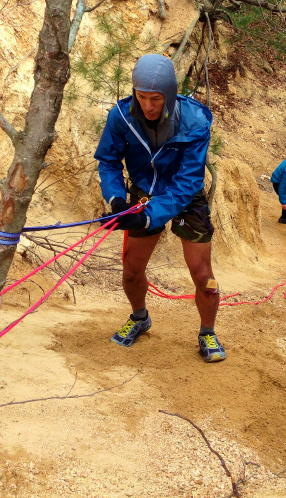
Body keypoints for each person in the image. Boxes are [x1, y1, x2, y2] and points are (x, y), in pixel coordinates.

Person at [94, 54, 226, 363]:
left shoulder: (194, 121)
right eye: (142, 97)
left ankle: (207, 332)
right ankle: (140, 318)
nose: (149, 105)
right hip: (143, 191)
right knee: (131, 269)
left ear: (169, 94)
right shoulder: (121, 116)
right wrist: (115, 199)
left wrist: (148, 215)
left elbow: (187, 180)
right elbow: (109, 162)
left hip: (185, 194)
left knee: (203, 274)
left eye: (156, 98)